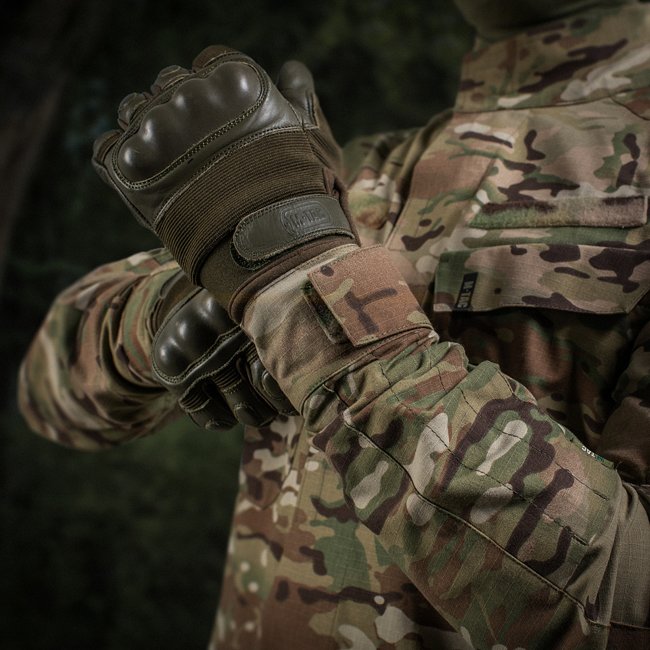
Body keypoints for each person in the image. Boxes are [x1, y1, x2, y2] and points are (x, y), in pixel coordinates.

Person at [19, 0, 650, 647]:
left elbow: (628, 607)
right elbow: (50, 393)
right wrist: (171, 306)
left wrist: (298, 274)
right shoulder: (367, 166)